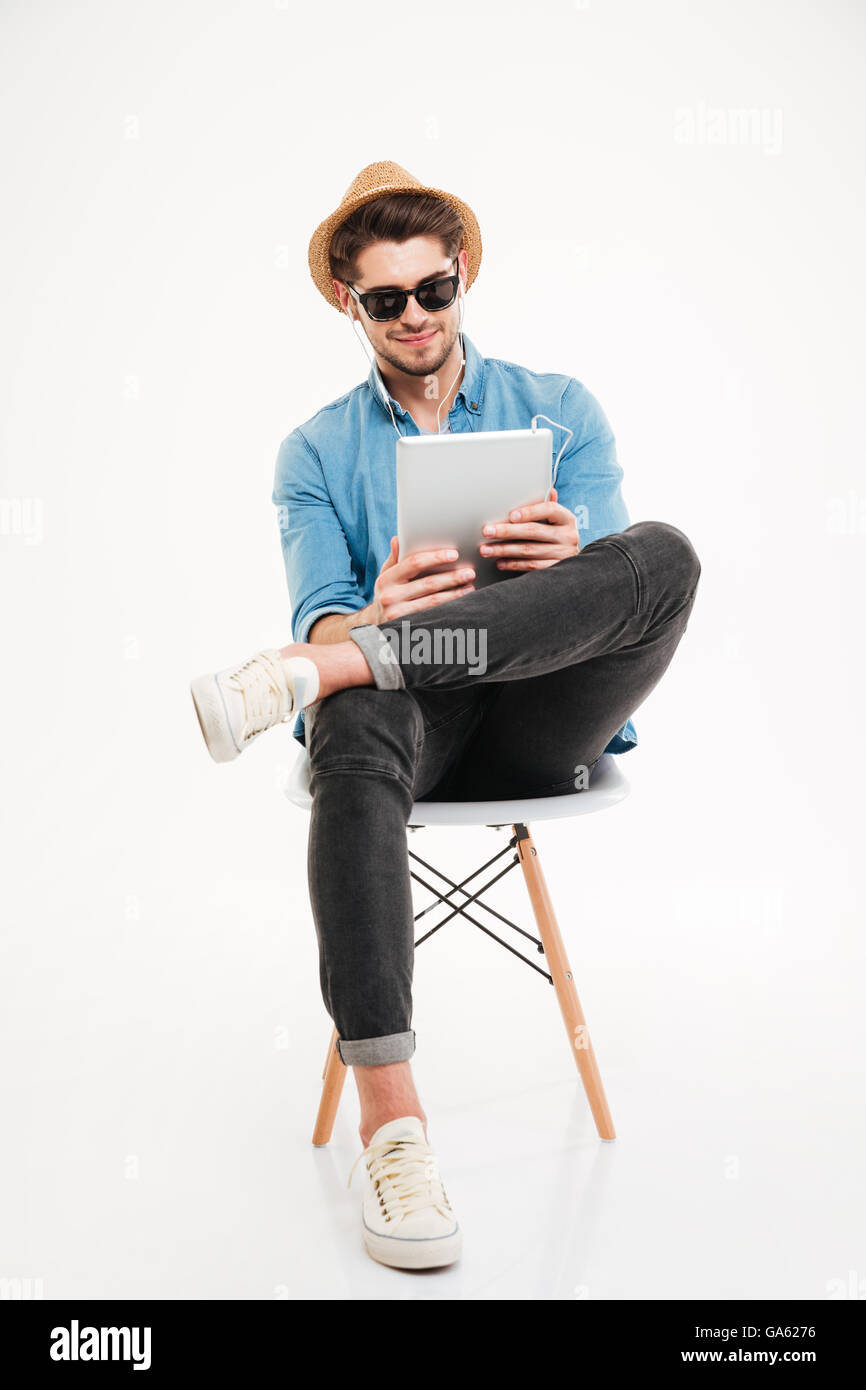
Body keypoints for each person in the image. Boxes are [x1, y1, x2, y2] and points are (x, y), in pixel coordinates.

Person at [190, 161, 701, 1272]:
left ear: (459, 275)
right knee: (355, 711)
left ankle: (322, 675)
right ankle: (394, 1128)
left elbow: (618, 593)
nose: (415, 316)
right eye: (386, 301)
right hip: (411, 734)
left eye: (433, 290)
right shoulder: (315, 452)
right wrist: (367, 616)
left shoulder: (560, 409)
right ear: (347, 303)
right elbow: (319, 616)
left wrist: (559, 560)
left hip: (542, 717)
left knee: (661, 552)